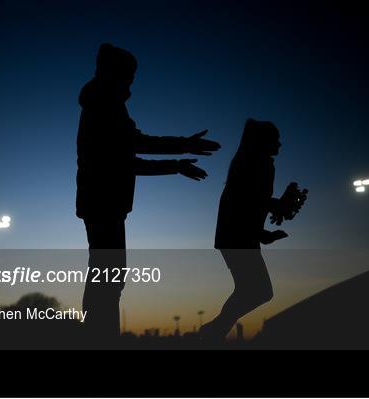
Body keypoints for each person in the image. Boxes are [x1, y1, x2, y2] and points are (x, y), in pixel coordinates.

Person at [76, 43, 220, 344]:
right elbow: (135, 146)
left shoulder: (107, 104)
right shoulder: (104, 104)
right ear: (114, 74)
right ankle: (98, 339)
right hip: (103, 204)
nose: (131, 82)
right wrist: (182, 147)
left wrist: (177, 163)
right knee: (108, 278)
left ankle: (100, 337)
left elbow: (128, 161)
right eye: (128, 76)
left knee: (108, 278)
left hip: (104, 203)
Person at [199, 118, 307, 342]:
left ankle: (214, 331)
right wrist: (278, 207)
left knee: (250, 290)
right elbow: (252, 201)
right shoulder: (260, 163)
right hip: (238, 236)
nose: (280, 144)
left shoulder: (250, 161)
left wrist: (265, 232)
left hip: (234, 236)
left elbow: (251, 203)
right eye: (276, 140)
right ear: (264, 142)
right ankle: (213, 330)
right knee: (258, 291)